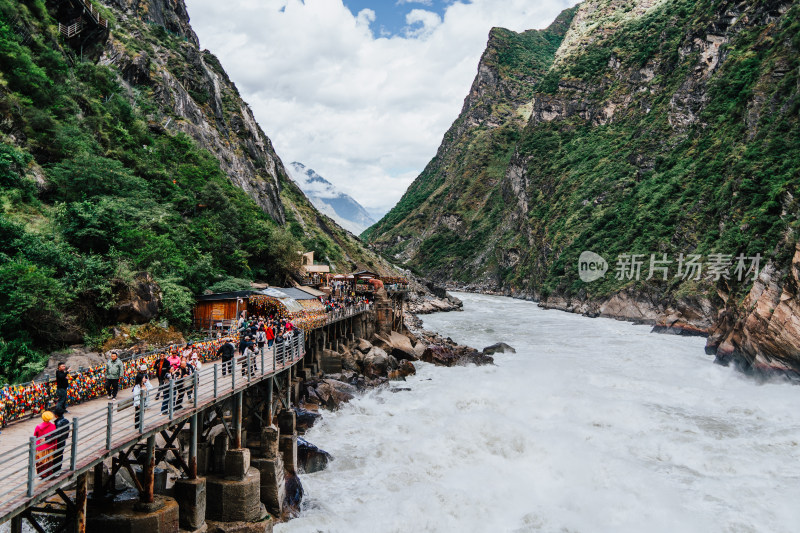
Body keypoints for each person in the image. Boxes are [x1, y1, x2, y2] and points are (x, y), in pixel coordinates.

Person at [34, 411, 56, 478]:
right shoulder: (53, 426)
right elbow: (54, 436)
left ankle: (41, 474)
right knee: (49, 460)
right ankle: (48, 473)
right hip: (50, 446)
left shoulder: (38, 426)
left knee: (41, 461)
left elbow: (35, 435)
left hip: (40, 446)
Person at [51, 407, 69, 474]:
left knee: (56, 456)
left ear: (56, 415)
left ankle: (55, 470)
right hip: (63, 440)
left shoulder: (58, 423)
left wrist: (47, 439)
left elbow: (57, 433)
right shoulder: (66, 421)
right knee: (60, 454)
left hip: (58, 441)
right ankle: (58, 469)